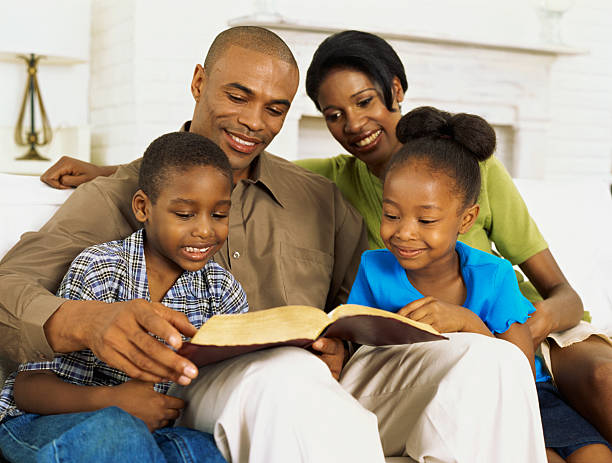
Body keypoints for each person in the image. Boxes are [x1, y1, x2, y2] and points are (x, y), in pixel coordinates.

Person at [21, 27, 548, 463]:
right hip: (193, 383)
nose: (254, 122)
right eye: (237, 96)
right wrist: (84, 321)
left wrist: (343, 343)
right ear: (199, 82)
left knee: (491, 362)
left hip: (326, 381)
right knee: (286, 374)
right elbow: (11, 284)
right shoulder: (119, 194)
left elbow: (361, 308)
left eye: (275, 109)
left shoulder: (319, 196)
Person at [297, 29, 612, 442]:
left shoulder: (471, 166)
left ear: (395, 90)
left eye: (364, 101)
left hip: (527, 331)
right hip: (449, 353)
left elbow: (565, 295)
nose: (353, 124)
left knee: (604, 377)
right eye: (333, 114)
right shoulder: (328, 180)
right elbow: (246, 164)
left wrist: (525, 329)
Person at [348, 105, 612, 463]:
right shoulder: (374, 268)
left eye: (426, 220)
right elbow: (361, 352)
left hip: (524, 395)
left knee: (596, 454)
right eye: (391, 215)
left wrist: (468, 322)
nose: (404, 232)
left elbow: (518, 367)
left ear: (466, 219)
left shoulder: (493, 274)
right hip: (440, 395)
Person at [0, 132, 248, 462]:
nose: (205, 230)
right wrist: (114, 402)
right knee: (120, 432)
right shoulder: (100, 268)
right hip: (50, 419)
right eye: (185, 214)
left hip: (159, 429)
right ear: (143, 208)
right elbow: (29, 388)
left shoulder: (223, 290)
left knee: (207, 450)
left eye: (218, 215)